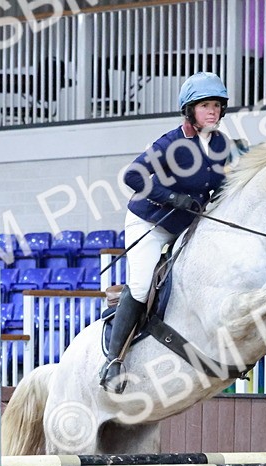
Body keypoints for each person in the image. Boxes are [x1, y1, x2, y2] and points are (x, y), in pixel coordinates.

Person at [100, 71, 235, 393]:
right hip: (151, 223)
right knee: (142, 284)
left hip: (189, 226)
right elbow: (133, 177)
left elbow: (227, 183)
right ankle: (114, 361)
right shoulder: (171, 143)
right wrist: (172, 197)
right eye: (205, 106)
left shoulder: (221, 145)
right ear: (190, 111)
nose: (213, 111)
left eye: (217, 105)